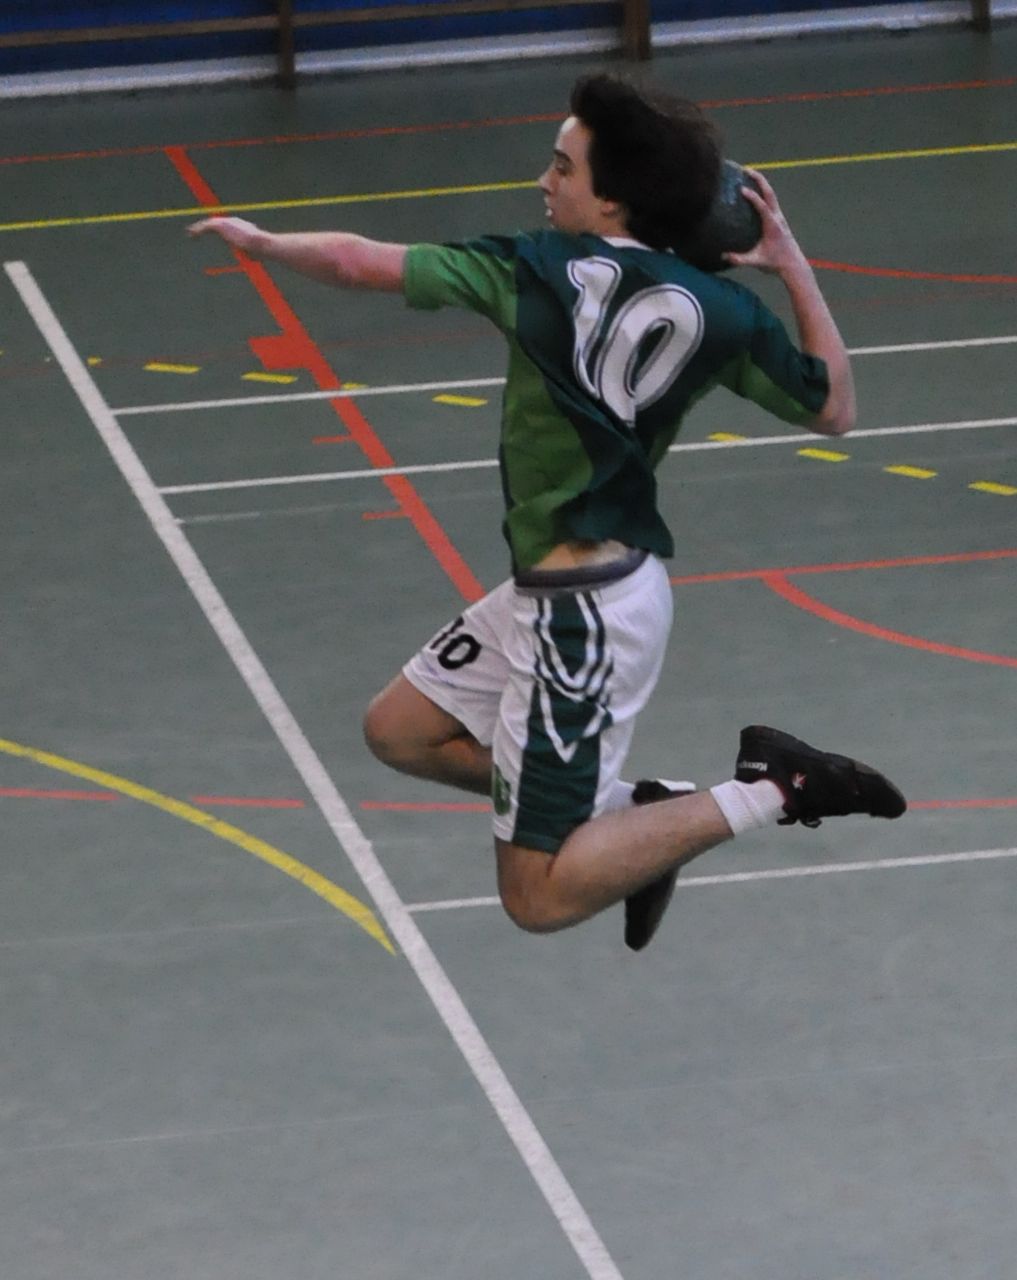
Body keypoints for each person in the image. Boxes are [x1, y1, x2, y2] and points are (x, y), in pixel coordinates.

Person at [189, 72, 905, 951]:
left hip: (584, 615)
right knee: (401, 732)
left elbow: (359, 262)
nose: (544, 180)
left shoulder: (533, 269)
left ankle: (772, 789)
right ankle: (640, 812)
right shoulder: (722, 311)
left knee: (537, 897)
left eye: (562, 168)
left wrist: (264, 244)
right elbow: (834, 407)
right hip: (565, 589)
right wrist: (789, 265)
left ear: (611, 200)